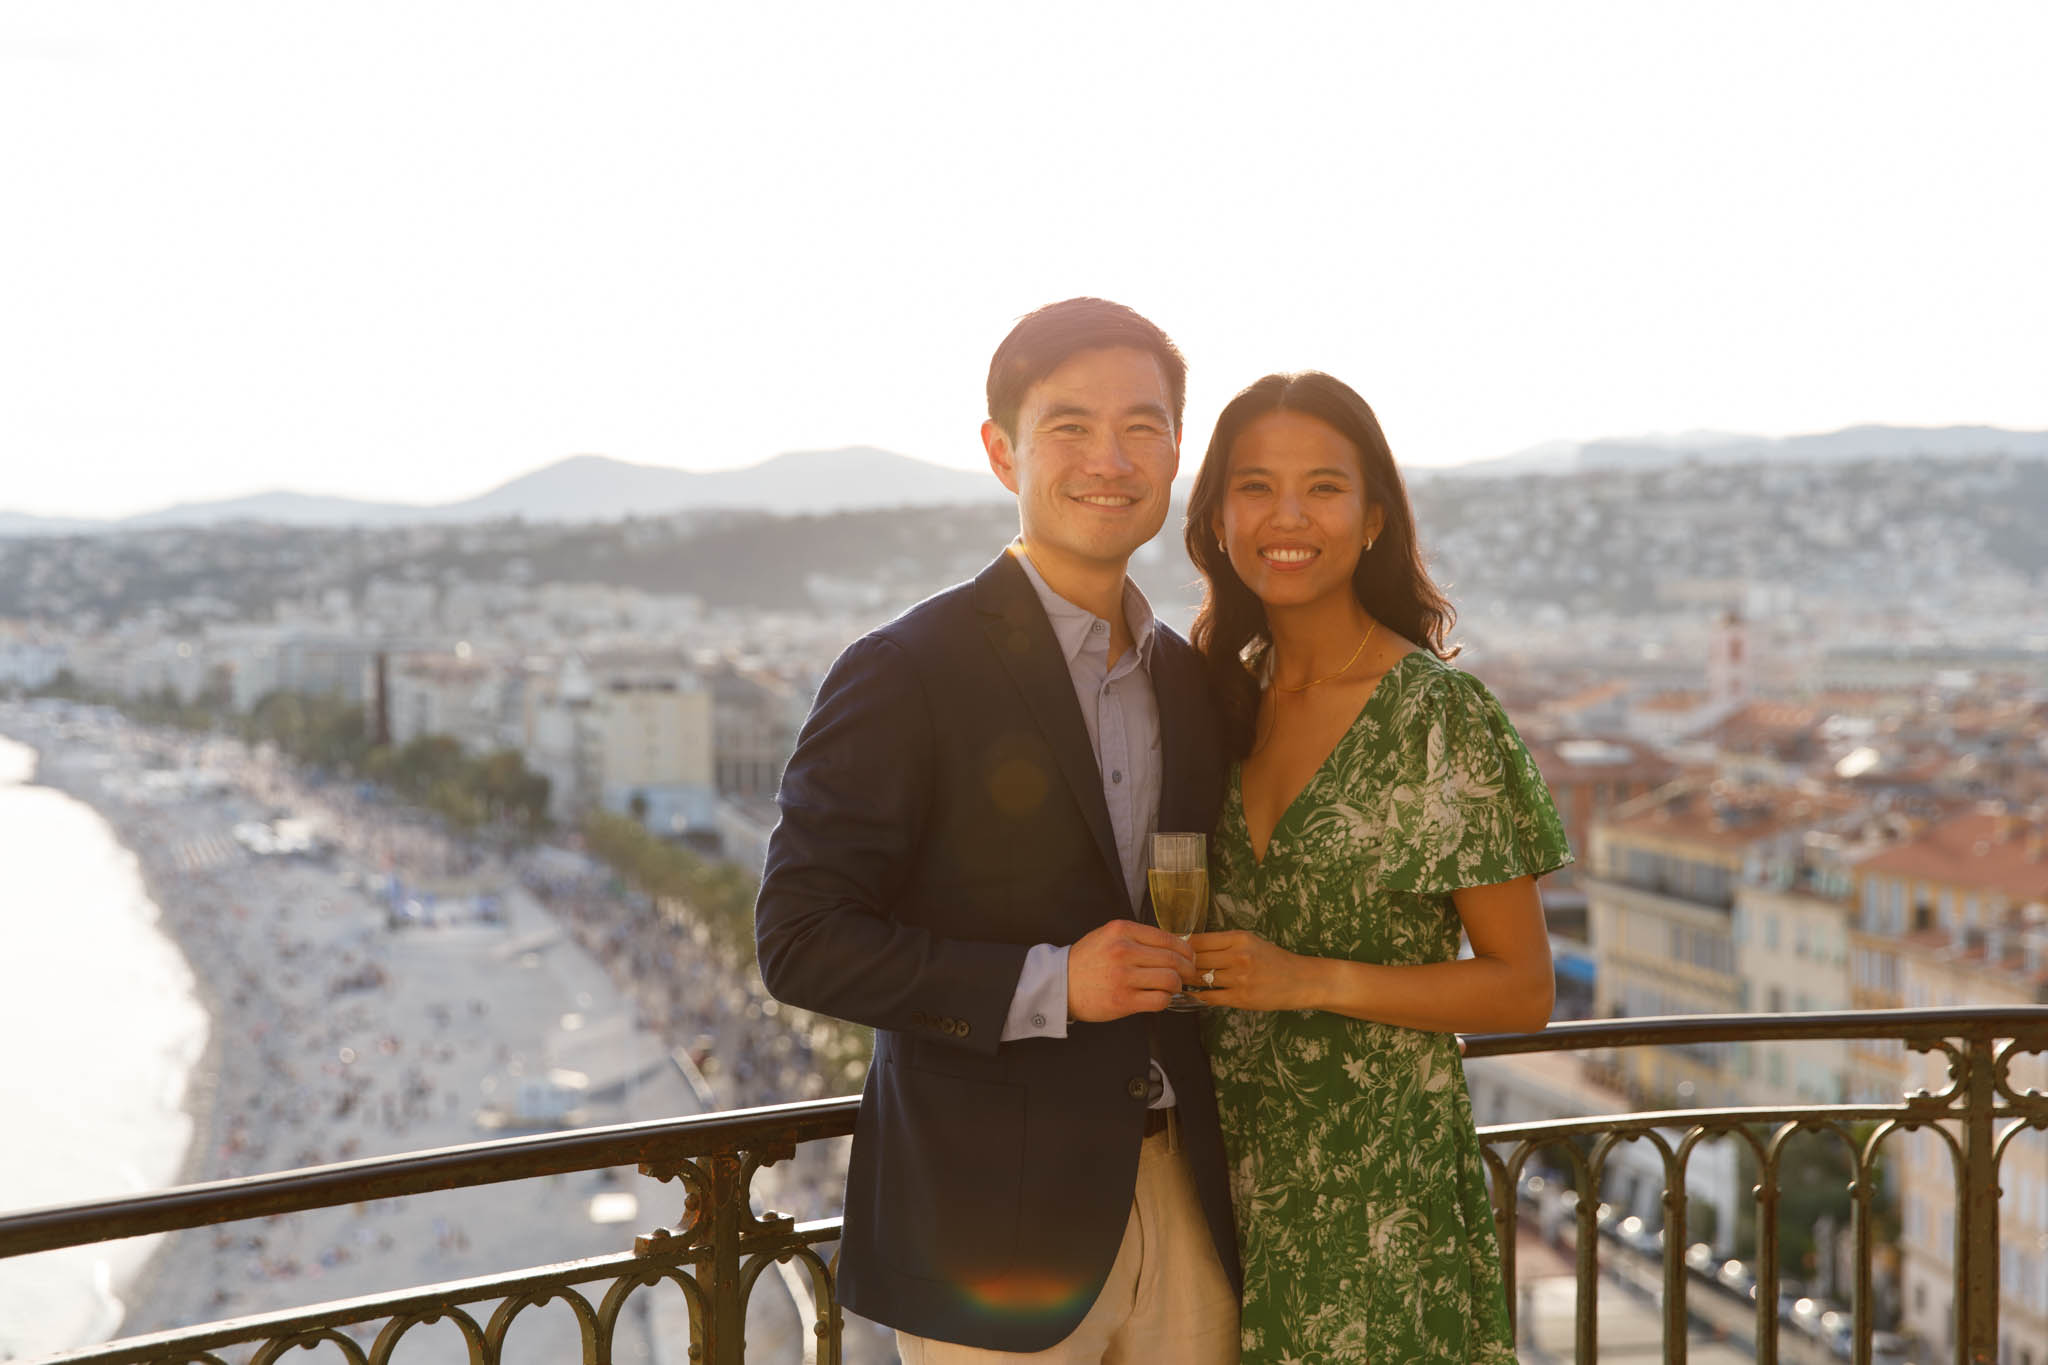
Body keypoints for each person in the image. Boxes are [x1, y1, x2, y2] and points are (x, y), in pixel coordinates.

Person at [756, 298, 1241, 1362]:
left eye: (1143, 426)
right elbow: (798, 940)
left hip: (1184, 1200)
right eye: (1070, 425)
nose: (1110, 459)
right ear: (1000, 451)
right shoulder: (903, 670)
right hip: (990, 1232)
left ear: (1176, 452)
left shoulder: (1189, 680)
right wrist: (1053, 983)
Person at [1184, 371, 1569, 1364]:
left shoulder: (1437, 716)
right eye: (1255, 487)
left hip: (1377, 1208)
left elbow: (1523, 990)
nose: (1286, 517)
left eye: (1322, 487)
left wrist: (1307, 979)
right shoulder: (1209, 702)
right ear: (1217, 518)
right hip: (1213, 1197)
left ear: (1372, 520)